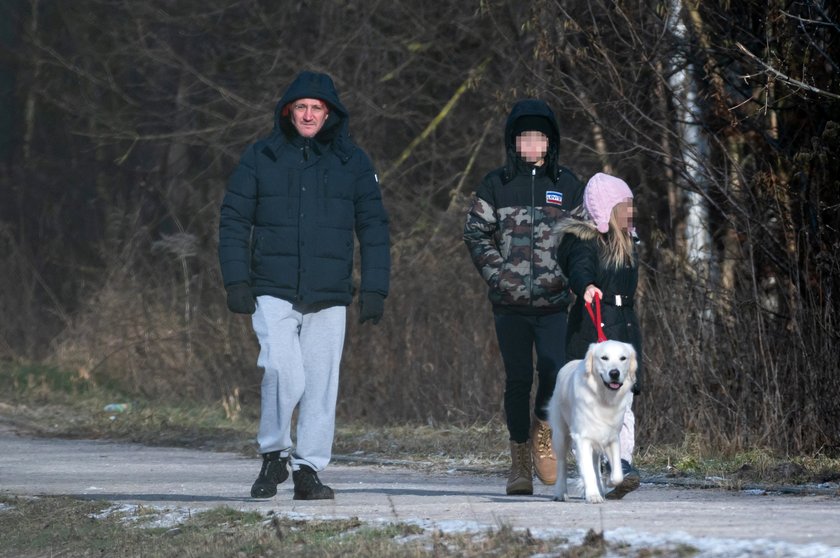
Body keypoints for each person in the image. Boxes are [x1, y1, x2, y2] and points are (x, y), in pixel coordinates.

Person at [218, 71, 390, 500]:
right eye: (301, 107)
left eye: (317, 108)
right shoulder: (261, 157)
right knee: (281, 369)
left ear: (329, 113)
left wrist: (375, 288)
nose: (309, 114)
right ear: (288, 111)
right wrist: (236, 280)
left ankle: (309, 470)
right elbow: (234, 221)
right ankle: (274, 453)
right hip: (271, 287)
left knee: (320, 383)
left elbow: (373, 227)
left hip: (330, 292)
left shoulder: (353, 162)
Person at [463, 99, 584, 495]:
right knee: (517, 379)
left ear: (551, 142)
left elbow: (584, 238)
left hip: (555, 303)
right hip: (509, 305)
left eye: (539, 137)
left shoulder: (567, 185)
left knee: (552, 371)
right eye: (524, 137)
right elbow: (476, 233)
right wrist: (498, 274)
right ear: (513, 142)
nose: (532, 144)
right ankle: (518, 460)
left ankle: (543, 432)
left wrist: (570, 279)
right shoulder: (495, 184)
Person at [555, 172, 643, 499]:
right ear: (607, 208)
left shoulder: (629, 242)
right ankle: (594, 469)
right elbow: (579, 268)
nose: (630, 212)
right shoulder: (586, 241)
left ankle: (621, 465)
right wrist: (586, 286)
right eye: (624, 206)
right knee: (591, 405)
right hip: (594, 328)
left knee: (625, 403)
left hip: (624, 329)